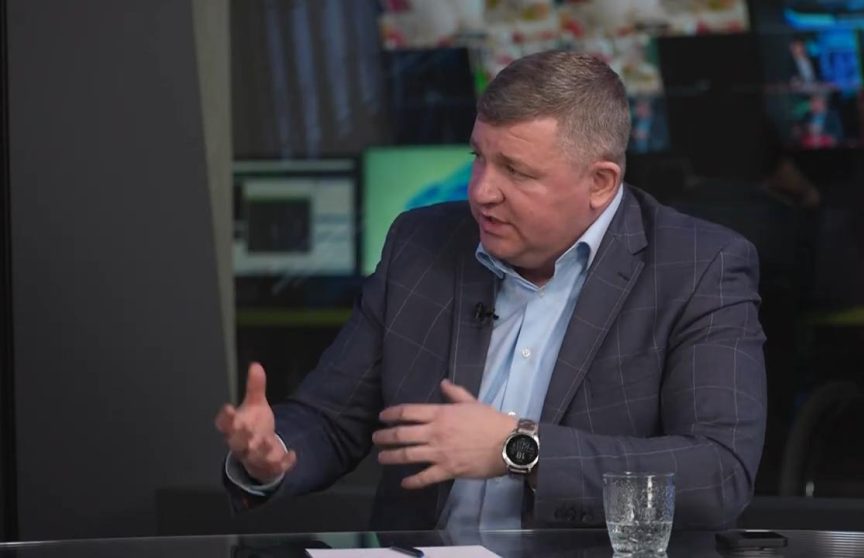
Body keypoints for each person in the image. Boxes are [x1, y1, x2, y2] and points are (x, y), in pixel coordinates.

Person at [215, 50, 767, 532]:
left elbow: (717, 475)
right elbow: (330, 421)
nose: (481, 192)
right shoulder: (420, 245)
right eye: (478, 158)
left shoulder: (698, 268)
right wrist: (272, 453)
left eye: (516, 171)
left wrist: (518, 448)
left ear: (600, 183)